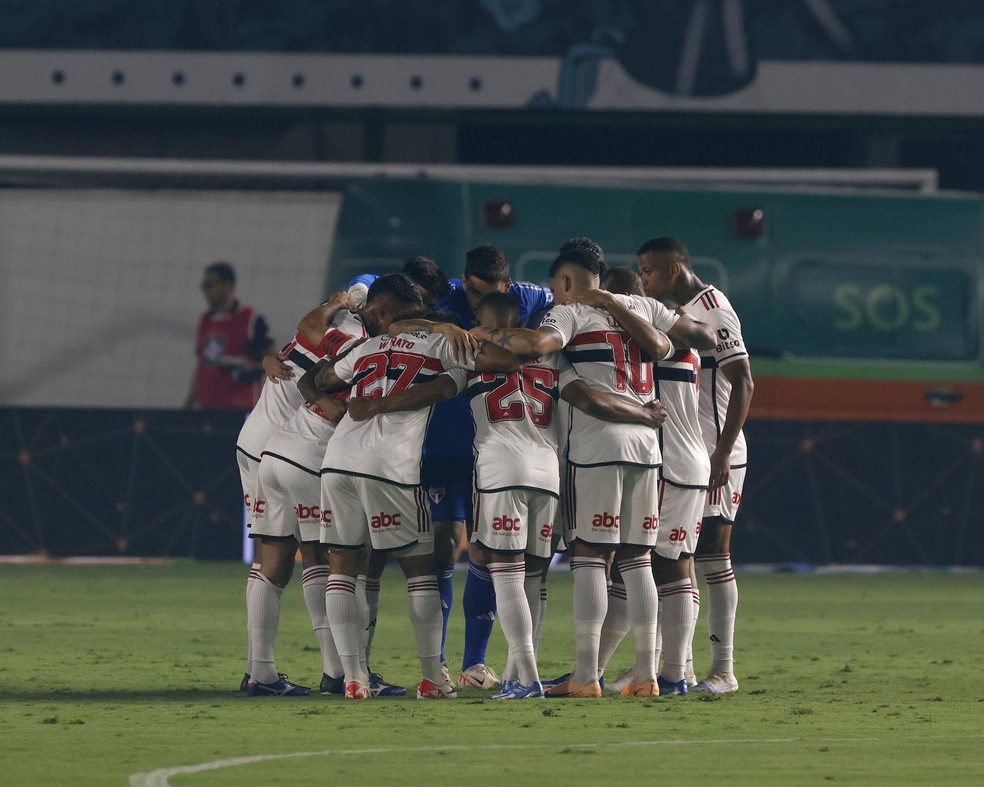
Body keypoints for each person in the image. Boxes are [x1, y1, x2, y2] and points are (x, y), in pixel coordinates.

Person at [473, 248, 714, 698]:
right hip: (647, 450)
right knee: (638, 559)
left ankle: (586, 675)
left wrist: (488, 334)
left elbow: (538, 347)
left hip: (597, 448)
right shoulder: (640, 306)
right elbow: (689, 341)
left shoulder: (569, 314)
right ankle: (646, 675)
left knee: (590, 557)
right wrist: (619, 305)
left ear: (565, 283)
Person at [309, 278, 523, 700]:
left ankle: (353, 678)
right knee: (420, 570)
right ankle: (432, 678)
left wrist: (347, 391)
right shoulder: (444, 345)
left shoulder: (367, 348)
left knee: (342, 567)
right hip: (391, 467)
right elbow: (505, 361)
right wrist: (456, 337)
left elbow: (322, 377)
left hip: (338, 461)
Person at [426, 245, 554, 690]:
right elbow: (378, 295)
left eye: (486, 295)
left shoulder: (531, 299)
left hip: (494, 457)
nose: (475, 302)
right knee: (449, 545)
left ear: (506, 285)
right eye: (472, 291)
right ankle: (436, 664)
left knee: (492, 556)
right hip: (449, 447)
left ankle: (477, 665)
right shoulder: (446, 297)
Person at [637, 237, 754, 694]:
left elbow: (743, 382)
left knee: (710, 556)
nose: (643, 279)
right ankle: (678, 668)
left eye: (647, 270)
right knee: (675, 556)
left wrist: (722, 452)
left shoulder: (714, 309)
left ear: (671, 270)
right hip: (688, 453)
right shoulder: (681, 312)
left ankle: (722, 670)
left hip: (715, 454)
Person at [589, 265, 710, 697]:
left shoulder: (652, 339)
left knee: (657, 566)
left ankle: (671, 674)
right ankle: (623, 672)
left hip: (669, 463)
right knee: (656, 566)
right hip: (690, 460)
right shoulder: (675, 337)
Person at [186, 261, 273, 411]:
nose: (205, 291)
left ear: (226, 285)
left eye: (209, 285)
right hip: (207, 408)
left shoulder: (250, 319)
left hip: (239, 408)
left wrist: (248, 368)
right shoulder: (205, 320)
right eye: (203, 286)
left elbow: (273, 361)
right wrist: (188, 404)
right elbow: (201, 364)